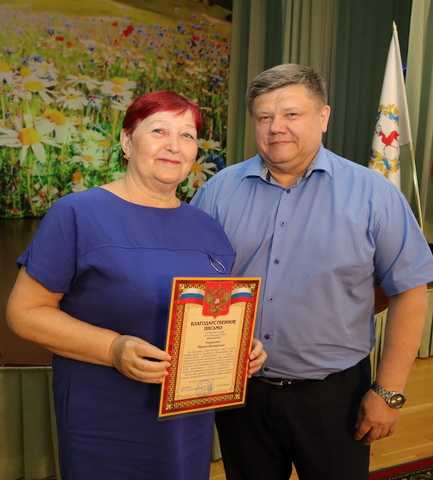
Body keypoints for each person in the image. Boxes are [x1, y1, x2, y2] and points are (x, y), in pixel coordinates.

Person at [6, 91, 266, 480]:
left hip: (186, 422)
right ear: (127, 142)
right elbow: (24, 313)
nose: (174, 145)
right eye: (159, 131)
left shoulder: (207, 228)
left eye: (187, 135)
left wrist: (240, 346)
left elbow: (211, 314)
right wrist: (113, 349)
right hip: (104, 418)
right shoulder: (77, 214)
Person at [191, 64, 433, 480]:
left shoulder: (373, 195)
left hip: (334, 398)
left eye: (291, 114)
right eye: (264, 117)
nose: (276, 127)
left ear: (323, 117)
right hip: (241, 394)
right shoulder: (218, 191)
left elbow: (409, 292)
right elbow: (193, 283)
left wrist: (388, 392)